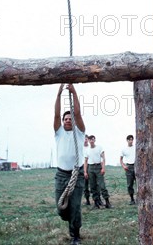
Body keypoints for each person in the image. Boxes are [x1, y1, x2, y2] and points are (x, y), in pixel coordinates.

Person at [53, 84, 86, 245]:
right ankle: (68, 218)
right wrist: (59, 94)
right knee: (61, 209)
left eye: (69, 119)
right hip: (61, 175)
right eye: (65, 119)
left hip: (76, 174)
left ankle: (75, 236)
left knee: (75, 207)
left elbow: (78, 113)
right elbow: (56, 115)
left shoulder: (79, 133)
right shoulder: (58, 133)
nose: (67, 120)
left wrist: (74, 92)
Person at [84, 135, 112, 209]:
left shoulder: (99, 148)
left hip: (98, 167)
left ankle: (107, 202)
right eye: (90, 139)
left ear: (95, 140)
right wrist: (85, 172)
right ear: (89, 141)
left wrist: (103, 168)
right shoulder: (87, 150)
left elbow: (103, 158)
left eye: (93, 139)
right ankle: (96, 203)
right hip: (90, 168)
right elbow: (86, 161)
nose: (91, 141)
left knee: (102, 185)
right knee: (92, 186)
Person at [120, 134, 136, 205]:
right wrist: (123, 166)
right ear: (127, 140)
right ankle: (132, 199)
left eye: (132, 139)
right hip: (128, 167)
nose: (131, 141)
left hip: (136, 166)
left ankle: (140, 198)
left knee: (139, 183)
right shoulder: (124, 149)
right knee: (130, 184)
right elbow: (120, 159)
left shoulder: (136, 147)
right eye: (129, 139)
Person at [83, 135, 91, 205]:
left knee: (93, 184)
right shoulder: (80, 148)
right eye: (84, 139)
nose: (85, 140)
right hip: (82, 167)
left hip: (90, 166)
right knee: (85, 184)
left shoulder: (90, 148)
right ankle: (87, 199)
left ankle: (97, 199)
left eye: (86, 139)